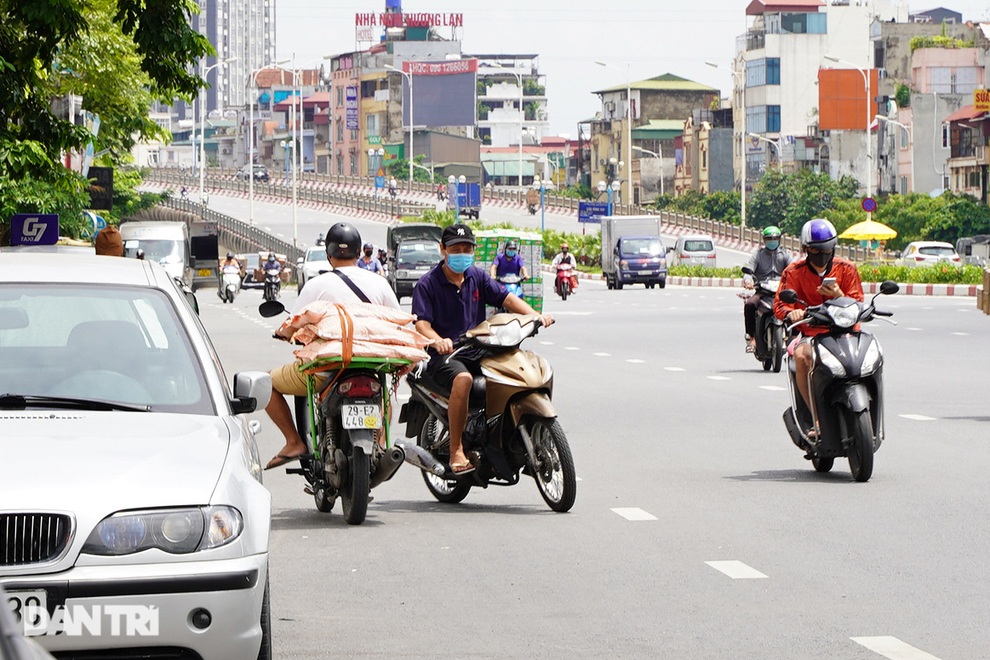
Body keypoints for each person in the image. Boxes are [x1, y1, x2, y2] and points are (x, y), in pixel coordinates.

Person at [412, 223, 552, 475]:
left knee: (520, 368)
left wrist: (535, 315)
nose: (462, 254)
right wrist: (437, 340)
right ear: (443, 249)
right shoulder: (427, 284)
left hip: (478, 348)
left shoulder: (476, 276)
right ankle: (456, 449)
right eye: (456, 249)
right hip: (446, 355)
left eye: (467, 249)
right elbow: (422, 324)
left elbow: (506, 298)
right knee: (464, 379)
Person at [265, 223, 402, 470]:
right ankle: (381, 445)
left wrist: (283, 334)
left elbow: (292, 323)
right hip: (371, 368)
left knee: (266, 383)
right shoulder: (379, 283)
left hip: (326, 371)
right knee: (383, 397)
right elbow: (398, 321)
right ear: (359, 253)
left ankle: (294, 442)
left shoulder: (316, 285)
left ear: (329, 254)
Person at [773, 218, 864, 435]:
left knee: (870, 356)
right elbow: (780, 305)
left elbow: (858, 302)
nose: (822, 254)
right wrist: (792, 312)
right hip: (811, 334)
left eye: (826, 249)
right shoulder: (793, 272)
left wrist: (839, 295)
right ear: (806, 249)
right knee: (802, 357)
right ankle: (817, 419)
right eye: (815, 250)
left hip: (846, 333)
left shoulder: (847, 269)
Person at [742, 226, 793, 353]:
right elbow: (749, 271)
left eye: (775, 238)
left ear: (779, 240)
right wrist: (748, 281)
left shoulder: (785, 255)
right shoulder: (758, 255)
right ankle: (751, 337)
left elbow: (793, 271)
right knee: (750, 304)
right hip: (763, 291)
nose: (772, 241)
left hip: (780, 292)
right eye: (769, 239)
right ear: (764, 240)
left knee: (795, 305)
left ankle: (794, 338)